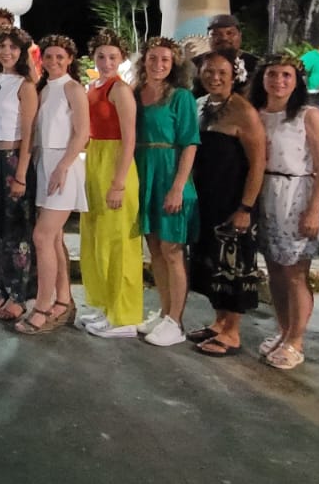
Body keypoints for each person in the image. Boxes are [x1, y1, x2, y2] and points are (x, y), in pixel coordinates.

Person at [250, 54, 319, 370]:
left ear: (296, 81)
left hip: (296, 195)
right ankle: (283, 330)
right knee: (275, 270)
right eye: (273, 74)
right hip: (266, 194)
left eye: (286, 75)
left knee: (296, 273)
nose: (279, 81)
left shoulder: (307, 115)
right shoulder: (258, 113)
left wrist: (314, 210)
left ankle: (296, 339)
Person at [186, 50, 265, 356]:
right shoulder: (201, 105)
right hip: (208, 199)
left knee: (233, 267)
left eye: (221, 72)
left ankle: (232, 332)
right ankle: (219, 321)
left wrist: (245, 207)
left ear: (234, 75)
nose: (214, 78)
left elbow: (257, 164)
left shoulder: (243, 111)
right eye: (208, 72)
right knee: (211, 266)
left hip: (233, 201)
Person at [16, 36, 90, 335]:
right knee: (55, 239)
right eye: (49, 56)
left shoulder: (73, 88)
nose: (54, 61)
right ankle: (63, 299)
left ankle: (43, 305)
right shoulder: (44, 88)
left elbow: (82, 131)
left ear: (70, 58)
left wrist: (63, 166)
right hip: (45, 164)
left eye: (60, 56)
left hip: (64, 166)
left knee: (42, 237)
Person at [134, 36, 200, 347]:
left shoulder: (181, 97)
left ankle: (177, 319)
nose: (158, 64)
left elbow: (189, 143)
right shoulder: (136, 94)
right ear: (143, 61)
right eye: (152, 58)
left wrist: (177, 187)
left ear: (173, 64)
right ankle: (164, 312)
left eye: (165, 59)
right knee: (156, 250)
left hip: (170, 172)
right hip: (144, 171)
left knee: (173, 251)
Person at [78, 31, 142, 339]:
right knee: (97, 239)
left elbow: (130, 138)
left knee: (119, 243)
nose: (106, 62)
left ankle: (124, 316)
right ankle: (105, 305)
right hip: (95, 161)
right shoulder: (93, 87)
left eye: (112, 57)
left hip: (116, 163)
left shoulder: (120, 90)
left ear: (122, 59)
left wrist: (118, 183)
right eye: (101, 56)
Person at [0, 28, 37, 325]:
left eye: (13, 48)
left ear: (22, 52)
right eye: (1, 46)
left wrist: (22, 173)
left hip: (13, 159)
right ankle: (2, 288)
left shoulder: (25, 85)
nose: (7, 52)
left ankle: (19, 296)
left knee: (17, 232)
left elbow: (29, 134)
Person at [197, 14, 262, 88]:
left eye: (230, 33)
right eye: (216, 34)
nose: (224, 38)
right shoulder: (196, 64)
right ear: (208, 37)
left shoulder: (256, 65)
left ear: (240, 36)